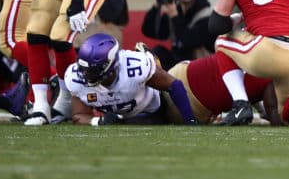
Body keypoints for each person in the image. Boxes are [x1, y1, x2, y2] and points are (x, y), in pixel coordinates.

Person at [65, 33, 197, 125]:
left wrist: (190, 120)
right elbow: (78, 116)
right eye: (83, 69)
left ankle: (152, 60)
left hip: (151, 112)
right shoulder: (76, 78)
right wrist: (99, 121)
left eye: (91, 70)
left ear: (109, 66)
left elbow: (174, 85)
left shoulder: (135, 67)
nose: (84, 75)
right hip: (121, 118)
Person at [165, 54, 278, 125]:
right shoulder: (274, 77)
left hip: (177, 75)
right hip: (191, 107)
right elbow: (275, 115)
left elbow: (248, 85)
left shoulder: (259, 53)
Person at [141, 0, 215, 69]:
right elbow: (149, 31)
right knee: (155, 54)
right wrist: (156, 6)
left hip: (200, 66)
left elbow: (188, 41)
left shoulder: (207, 14)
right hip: (180, 62)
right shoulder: (176, 9)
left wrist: (174, 16)